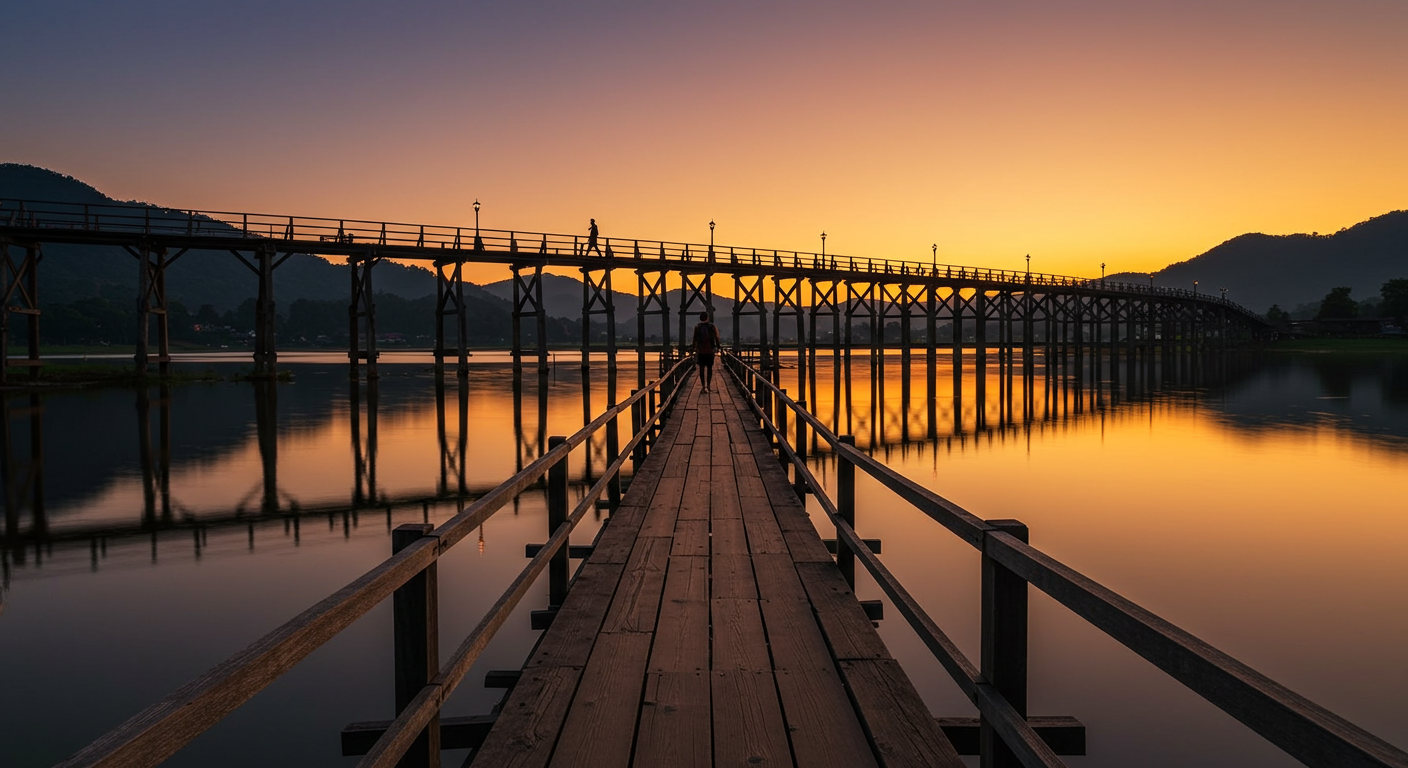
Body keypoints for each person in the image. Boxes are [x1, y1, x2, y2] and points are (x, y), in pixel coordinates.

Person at [692, 311, 721, 393]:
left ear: (700, 318)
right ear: (707, 318)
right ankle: (708, 386)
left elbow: (694, 339)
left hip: (701, 351)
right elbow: (716, 338)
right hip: (710, 351)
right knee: (709, 368)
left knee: (701, 369)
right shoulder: (712, 327)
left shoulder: (697, 327)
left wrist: (693, 348)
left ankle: (703, 386)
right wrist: (718, 347)